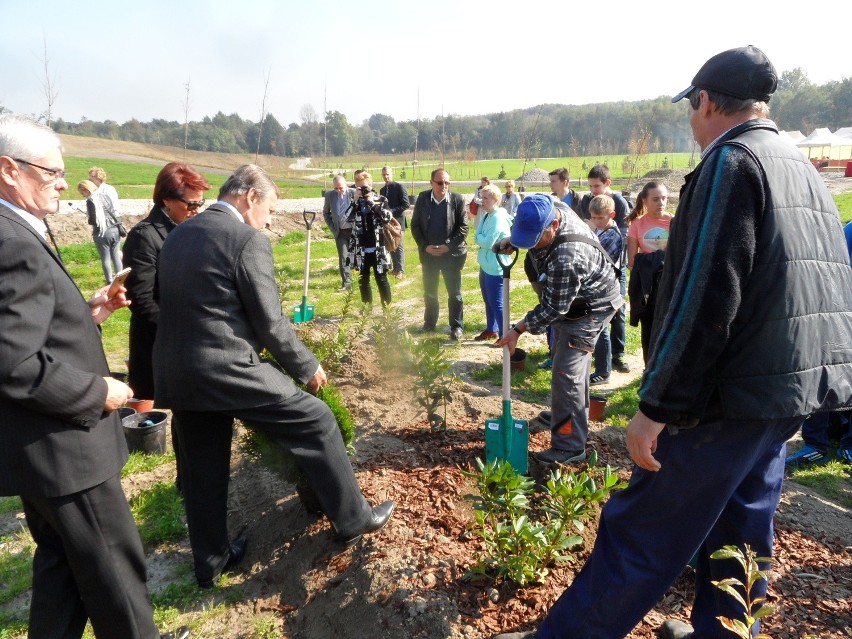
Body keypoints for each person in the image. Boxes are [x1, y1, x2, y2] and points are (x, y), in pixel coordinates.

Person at [493, 45, 852, 639]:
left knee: (641, 530)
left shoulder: (732, 162)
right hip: (785, 391)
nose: (691, 120)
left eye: (693, 107)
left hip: (724, 395)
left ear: (707, 101)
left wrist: (656, 407)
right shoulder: (798, 164)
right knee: (742, 530)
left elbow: (706, 296)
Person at [153, 164, 394, 589]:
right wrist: (308, 366)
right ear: (249, 197)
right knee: (316, 420)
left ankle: (211, 562)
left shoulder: (178, 235)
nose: (268, 220)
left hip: (178, 371)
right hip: (226, 369)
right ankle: (354, 518)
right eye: (268, 210)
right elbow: (271, 322)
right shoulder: (245, 240)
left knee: (203, 468)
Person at [0, 114, 188, 639]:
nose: (64, 182)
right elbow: (14, 364)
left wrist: (87, 311)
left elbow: (25, 330)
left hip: (39, 455)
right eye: (51, 172)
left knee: (62, 569)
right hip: (66, 453)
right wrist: (99, 391)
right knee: (114, 575)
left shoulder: (13, 226)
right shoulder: (9, 239)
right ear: (8, 170)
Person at [494, 193, 622, 464]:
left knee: (567, 374)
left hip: (591, 307)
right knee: (570, 369)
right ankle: (568, 414)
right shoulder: (549, 207)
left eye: (535, 238)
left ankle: (569, 444)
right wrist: (513, 241)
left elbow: (554, 309)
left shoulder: (567, 256)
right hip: (574, 301)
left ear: (553, 224)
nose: (532, 245)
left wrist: (517, 329)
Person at [123, 163, 210, 492]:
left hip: (187, 337)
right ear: (166, 200)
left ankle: (189, 481)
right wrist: (184, 333)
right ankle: (188, 484)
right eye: (191, 204)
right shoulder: (145, 237)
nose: (196, 211)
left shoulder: (185, 229)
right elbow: (143, 301)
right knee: (186, 410)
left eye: (200, 204)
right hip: (164, 342)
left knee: (191, 412)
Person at [579, 164, 631, 373]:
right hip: (600, 273)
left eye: (597, 186)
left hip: (616, 268)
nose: (593, 190)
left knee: (617, 311)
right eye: (591, 186)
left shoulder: (618, 202)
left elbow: (622, 235)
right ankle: (603, 358)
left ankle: (618, 354)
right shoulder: (590, 202)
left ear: (607, 183)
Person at [410, 168, 469, 340]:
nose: (444, 186)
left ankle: (457, 326)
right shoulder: (422, 199)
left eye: (447, 183)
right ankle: (429, 324)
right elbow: (415, 226)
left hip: (451, 256)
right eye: (440, 182)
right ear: (431, 183)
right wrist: (424, 246)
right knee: (430, 292)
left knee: (455, 294)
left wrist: (448, 246)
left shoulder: (457, 200)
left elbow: (463, 227)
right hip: (429, 256)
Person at [626, 180, 671, 364]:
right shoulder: (636, 224)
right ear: (644, 200)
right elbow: (631, 261)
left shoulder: (675, 222)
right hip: (648, 288)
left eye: (664, 198)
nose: (661, 203)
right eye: (655, 199)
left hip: (670, 283)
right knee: (649, 329)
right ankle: (649, 368)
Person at [586, 194, 623, 385]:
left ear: (612, 215)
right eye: (593, 217)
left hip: (606, 291)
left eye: (601, 218)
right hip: (597, 289)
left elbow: (595, 259)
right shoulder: (600, 232)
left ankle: (604, 371)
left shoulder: (612, 236)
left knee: (602, 332)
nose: (597, 221)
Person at [347, 172, 393, 307]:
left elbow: (387, 218)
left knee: (381, 279)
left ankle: (387, 309)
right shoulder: (354, 202)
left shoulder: (381, 199)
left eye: (365, 187)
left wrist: (372, 204)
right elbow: (346, 220)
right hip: (361, 248)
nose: (363, 191)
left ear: (371, 186)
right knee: (363, 280)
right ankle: (367, 309)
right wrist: (355, 202)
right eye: (360, 188)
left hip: (379, 247)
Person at [473, 184, 512, 341]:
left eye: (486, 198)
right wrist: (479, 237)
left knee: (497, 302)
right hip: (485, 265)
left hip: (496, 267)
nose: (483, 201)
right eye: (482, 197)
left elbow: (488, 242)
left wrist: (479, 238)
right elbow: (477, 233)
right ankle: (491, 329)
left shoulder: (497, 218)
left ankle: (504, 335)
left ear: (496, 200)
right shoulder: (487, 215)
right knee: (488, 300)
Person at [78, 178, 123, 284]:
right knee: (116, 256)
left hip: (102, 233)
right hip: (115, 229)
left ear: (86, 189)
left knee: (105, 258)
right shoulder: (105, 196)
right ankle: (120, 280)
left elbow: (93, 220)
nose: (82, 195)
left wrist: (88, 218)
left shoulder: (90, 200)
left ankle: (109, 281)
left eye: (82, 192)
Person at [322, 175, 355, 291]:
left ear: (345, 185)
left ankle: (362, 280)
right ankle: (347, 283)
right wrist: (332, 227)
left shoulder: (354, 193)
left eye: (340, 188)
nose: (338, 191)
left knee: (357, 256)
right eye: (336, 188)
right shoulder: (330, 195)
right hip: (340, 232)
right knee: (343, 257)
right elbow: (326, 213)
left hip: (354, 231)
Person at [379, 165, 410, 278]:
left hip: (398, 222)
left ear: (392, 174)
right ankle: (395, 269)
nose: (386, 177)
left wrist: (391, 211)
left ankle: (401, 270)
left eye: (388, 174)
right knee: (391, 244)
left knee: (399, 245)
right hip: (388, 223)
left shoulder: (399, 187)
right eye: (384, 175)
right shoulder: (383, 190)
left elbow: (406, 204)